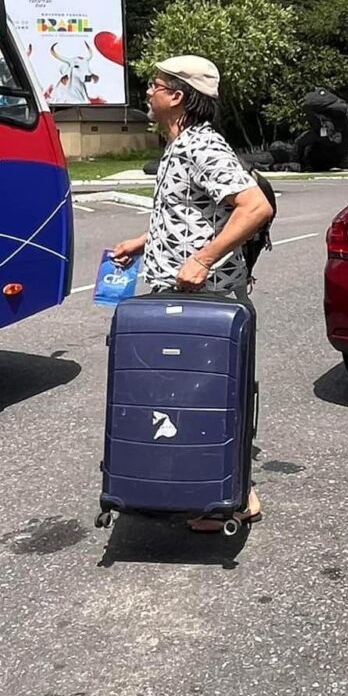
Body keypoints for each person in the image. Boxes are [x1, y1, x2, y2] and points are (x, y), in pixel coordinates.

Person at [109, 55, 274, 531]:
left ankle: (232, 498)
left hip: (206, 303)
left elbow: (254, 206)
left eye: (155, 86)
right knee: (186, 392)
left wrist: (201, 261)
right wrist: (143, 243)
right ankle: (208, 487)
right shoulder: (179, 145)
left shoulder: (202, 145)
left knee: (208, 392)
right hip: (179, 296)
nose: (148, 92)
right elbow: (192, 214)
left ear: (178, 95)